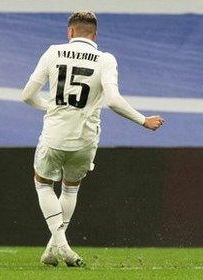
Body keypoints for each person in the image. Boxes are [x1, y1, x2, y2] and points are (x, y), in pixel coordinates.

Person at [21, 11, 165, 267]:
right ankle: (52, 250)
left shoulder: (53, 52)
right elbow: (112, 100)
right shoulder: (105, 59)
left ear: (70, 32)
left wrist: (50, 106)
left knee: (43, 184)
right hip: (86, 139)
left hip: (54, 134)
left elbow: (27, 96)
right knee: (70, 187)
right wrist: (143, 120)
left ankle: (62, 246)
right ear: (95, 35)